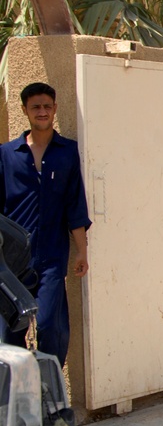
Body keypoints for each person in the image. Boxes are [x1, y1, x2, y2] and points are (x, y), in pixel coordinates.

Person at [0, 82, 90, 365]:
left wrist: (81, 251)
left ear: (55, 109)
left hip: (51, 256)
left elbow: (75, 205)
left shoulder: (67, 152)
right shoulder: (6, 154)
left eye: (47, 107)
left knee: (51, 325)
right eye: (36, 107)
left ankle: (49, 391)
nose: (42, 112)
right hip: (13, 260)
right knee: (11, 329)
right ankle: (15, 393)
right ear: (25, 110)